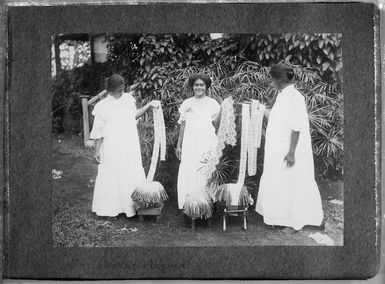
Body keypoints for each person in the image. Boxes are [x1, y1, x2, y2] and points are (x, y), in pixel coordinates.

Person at [255, 63, 324, 234]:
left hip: (290, 149)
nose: (271, 83)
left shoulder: (295, 97)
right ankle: (281, 217)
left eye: (272, 79)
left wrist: (291, 152)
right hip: (278, 148)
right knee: (281, 182)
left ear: (279, 80)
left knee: (293, 182)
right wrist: (260, 109)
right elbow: (278, 118)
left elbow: (296, 127)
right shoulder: (283, 95)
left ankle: (296, 220)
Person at [90, 74, 158, 217]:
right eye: (118, 90)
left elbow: (134, 115)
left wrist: (148, 105)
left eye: (122, 89)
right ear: (110, 90)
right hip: (112, 145)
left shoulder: (128, 99)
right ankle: (112, 208)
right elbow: (99, 130)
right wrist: (97, 150)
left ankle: (132, 207)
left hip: (129, 144)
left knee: (130, 170)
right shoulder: (102, 106)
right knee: (113, 172)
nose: (121, 92)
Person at [176, 73, 221, 210]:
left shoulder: (212, 103)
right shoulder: (186, 103)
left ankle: (207, 203)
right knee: (190, 169)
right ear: (192, 86)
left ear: (206, 87)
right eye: (196, 85)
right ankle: (189, 204)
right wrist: (179, 145)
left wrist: (222, 109)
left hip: (207, 143)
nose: (199, 87)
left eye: (202, 85)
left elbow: (217, 125)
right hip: (190, 144)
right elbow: (182, 126)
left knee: (205, 170)